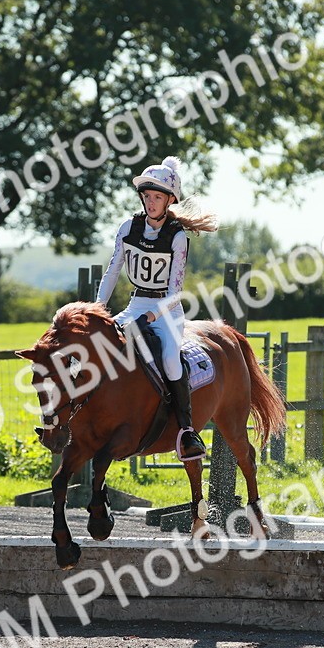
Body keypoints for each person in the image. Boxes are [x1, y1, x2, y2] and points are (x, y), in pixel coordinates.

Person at [95, 155, 218, 461]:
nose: (151, 202)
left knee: (171, 361)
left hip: (167, 312)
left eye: (157, 197)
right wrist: (96, 309)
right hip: (135, 304)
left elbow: (175, 293)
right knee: (99, 346)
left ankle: (187, 432)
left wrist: (151, 315)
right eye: (147, 196)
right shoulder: (128, 227)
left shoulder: (177, 237)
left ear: (169, 200)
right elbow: (112, 272)